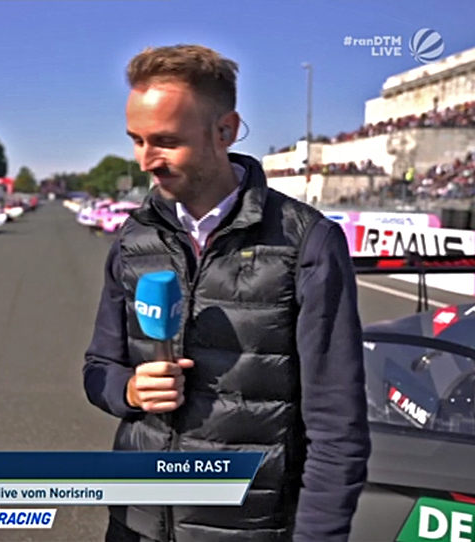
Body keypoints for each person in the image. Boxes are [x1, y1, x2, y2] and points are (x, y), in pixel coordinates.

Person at [83, 45, 370, 542]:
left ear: (226, 130)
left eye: (166, 141)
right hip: (134, 522)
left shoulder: (307, 242)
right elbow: (97, 368)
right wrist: (128, 390)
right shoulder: (133, 239)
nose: (146, 160)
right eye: (137, 140)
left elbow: (337, 428)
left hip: (247, 528)